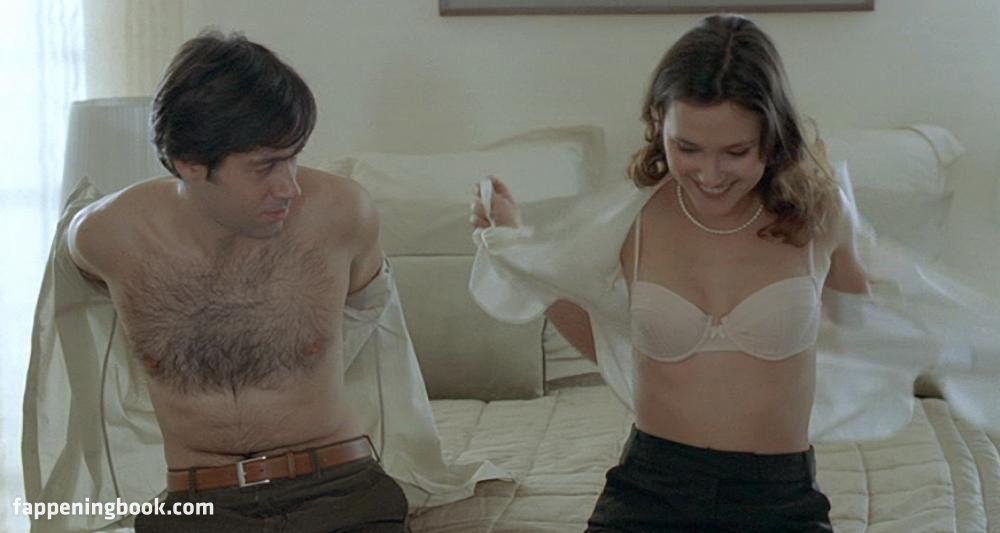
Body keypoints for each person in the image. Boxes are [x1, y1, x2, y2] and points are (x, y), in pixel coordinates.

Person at [470, 14, 868, 532]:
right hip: (652, 488)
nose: (709, 174)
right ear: (660, 124)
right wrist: (515, 245)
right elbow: (598, 324)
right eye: (688, 148)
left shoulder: (819, 215)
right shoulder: (632, 220)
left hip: (777, 496)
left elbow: (861, 330)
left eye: (735, 152)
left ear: (773, 137)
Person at [65, 31, 409, 532]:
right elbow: (68, 339)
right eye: (265, 166)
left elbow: (376, 326)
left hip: (340, 492)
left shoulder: (341, 214)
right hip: (197, 507)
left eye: (293, 156)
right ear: (189, 162)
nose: (289, 186)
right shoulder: (106, 236)